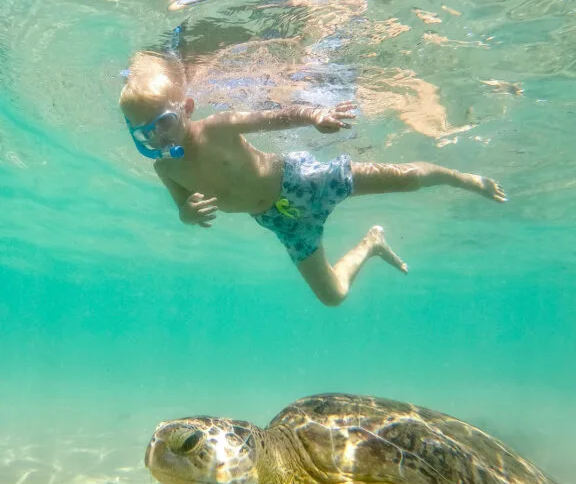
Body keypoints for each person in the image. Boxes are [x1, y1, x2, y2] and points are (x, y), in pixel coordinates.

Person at [120, 50, 506, 306]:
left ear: (186, 108)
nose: (158, 138)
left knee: (403, 178)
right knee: (333, 296)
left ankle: (460, 177)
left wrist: (314, 116)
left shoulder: (218, 128)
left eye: (164, 124)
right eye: (145, 132)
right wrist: (189, 214)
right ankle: (372, 243)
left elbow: (277, 116)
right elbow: (181, 208)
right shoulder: (164, 167)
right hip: (281, 221)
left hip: (302, 181)